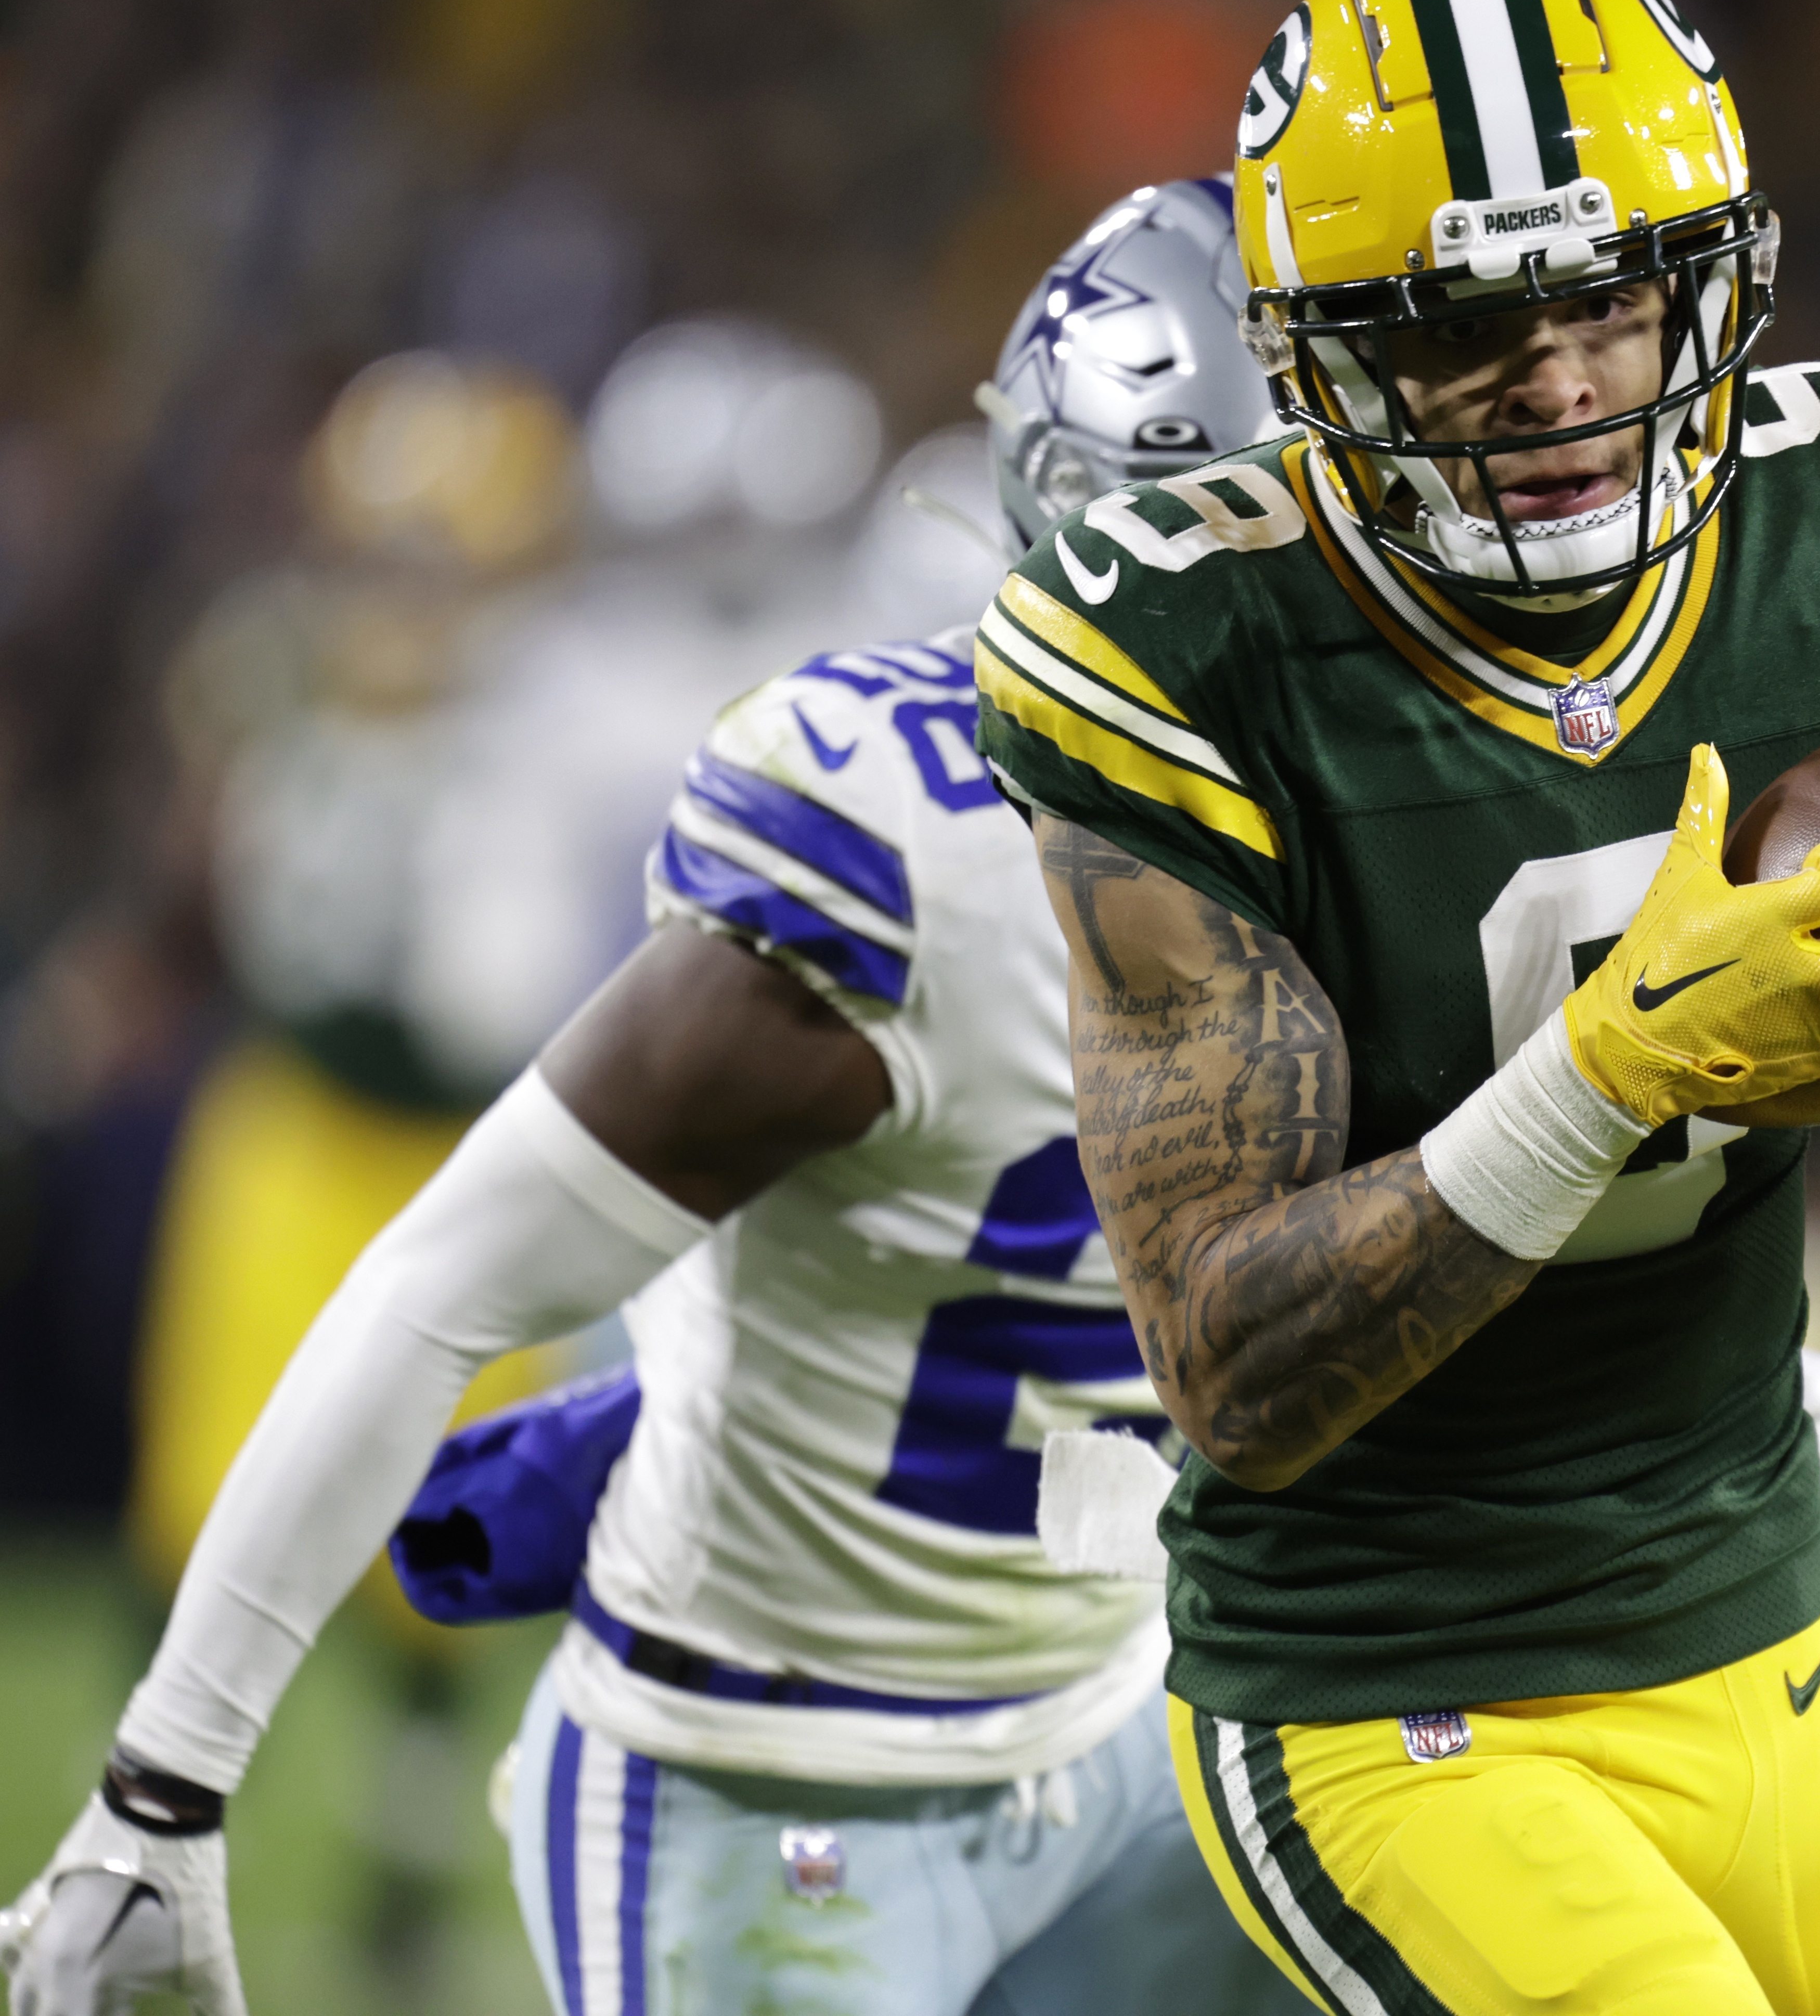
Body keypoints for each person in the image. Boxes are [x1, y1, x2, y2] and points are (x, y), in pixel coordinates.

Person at [971, 0, 1820, 2013]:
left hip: (1770, 1637)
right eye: (1467, 325)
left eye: (1611, 291)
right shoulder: (1189, 653)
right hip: (1391, 1690)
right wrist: (1613, 1070)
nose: (1560, 376)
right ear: (1320, 352)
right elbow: (1231, 1372)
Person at [6, 181, 1309, 2016]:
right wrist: (159, 1796)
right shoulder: (903, 855)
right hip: (781, 1785)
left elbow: (1195, 1376)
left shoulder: (1392, 846)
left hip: (1111, 1737)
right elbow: (440, 1283)